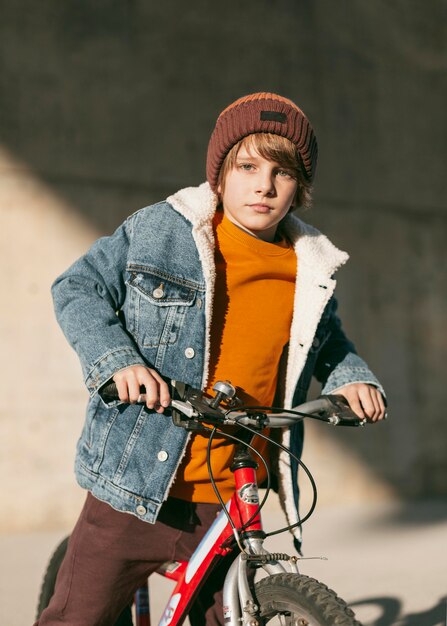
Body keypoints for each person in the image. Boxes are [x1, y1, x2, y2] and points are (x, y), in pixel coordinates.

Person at [36, 92, 386, 625]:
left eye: (282, 173)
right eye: (247, 166)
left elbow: (327, 339)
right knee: (78, 616)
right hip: (138, 483)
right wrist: (119, 362)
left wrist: (353, 378)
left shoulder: (308, 267)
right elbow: (78, 287)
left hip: (230, 492)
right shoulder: (163, 231)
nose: (264, 185)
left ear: (301, 188)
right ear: (220, 175)